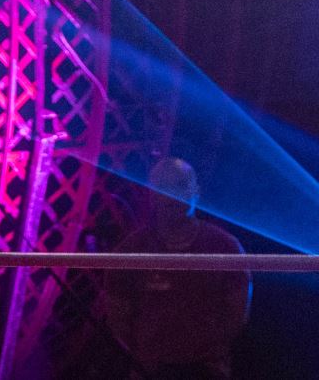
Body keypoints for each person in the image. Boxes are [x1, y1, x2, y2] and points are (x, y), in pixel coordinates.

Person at [102, 157, 250, 379]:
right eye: (163, 187)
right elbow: (117, 316)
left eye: (180, 185)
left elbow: (237, 315)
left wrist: (202, 353)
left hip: (207, 370)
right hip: (150, 370)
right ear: (151, 194)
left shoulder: (224, 246)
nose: (171, 196)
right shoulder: (132, 250)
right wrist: (151, 353)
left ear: (196, 191)